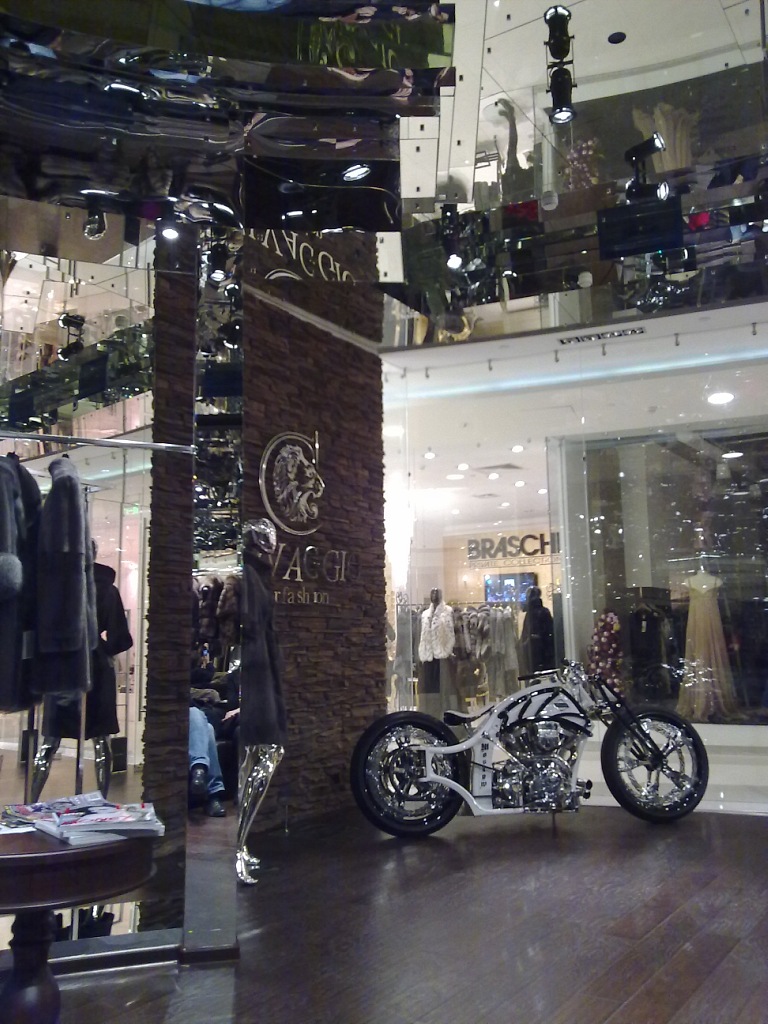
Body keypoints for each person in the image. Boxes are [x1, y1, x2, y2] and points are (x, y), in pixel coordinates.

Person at [236, 517, 287, 885]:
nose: (273, 543)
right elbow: (245, 633)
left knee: (257, 755)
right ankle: (236, 845)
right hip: (255, 677)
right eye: (267, 537)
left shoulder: (255, 577)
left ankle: (239, 845)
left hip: (262, 674)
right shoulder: (248, 578)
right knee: (268, 752)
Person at [188, 706, 227, 817]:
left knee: (206, 725)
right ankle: (213, 795)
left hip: (211, 718)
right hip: (191, 721)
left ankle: (199, 770)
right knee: (207, 727)